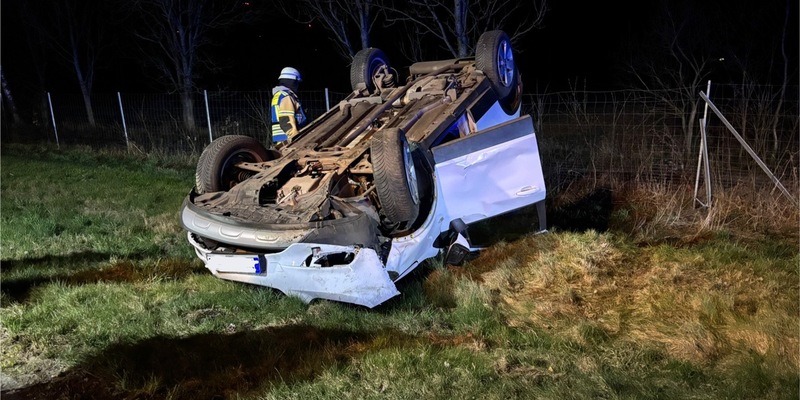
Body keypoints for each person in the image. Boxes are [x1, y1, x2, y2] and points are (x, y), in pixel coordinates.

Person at [270, 67, 307, 147]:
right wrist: (295, 137)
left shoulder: (279, 95)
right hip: (289, 139)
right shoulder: (286, 96)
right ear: (292, 81)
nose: (298, 86)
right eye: (297, 83)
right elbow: (286, 119)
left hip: (281, 138)